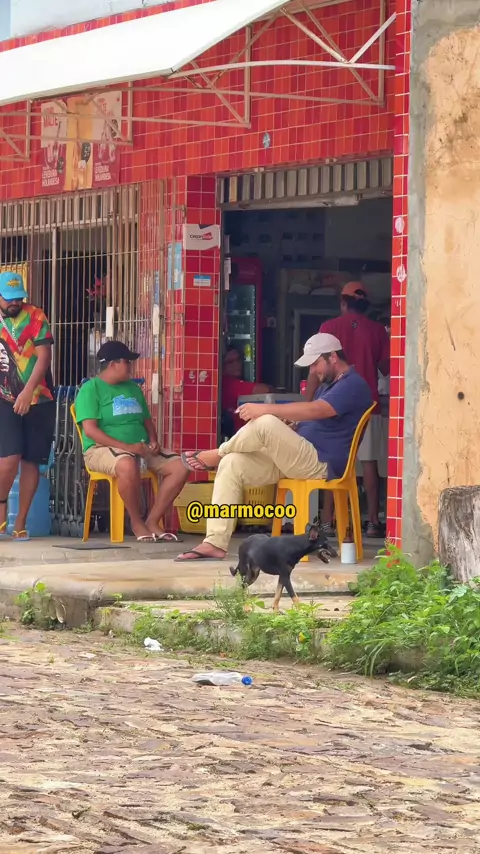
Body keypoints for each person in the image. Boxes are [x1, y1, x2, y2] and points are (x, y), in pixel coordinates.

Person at [175, 333, 372, 561]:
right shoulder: (328, 385)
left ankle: (217, 453)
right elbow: (313, 418)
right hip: (298, 458)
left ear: (333, 357)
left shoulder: (352, 384)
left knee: (265, 422)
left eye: (315, 364)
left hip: (320, 462)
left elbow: (318, 410)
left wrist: (267, 410)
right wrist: (291, 425)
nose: (313, 371)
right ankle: (214, 542)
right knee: (232, 463)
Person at [74, 341, 188, 542]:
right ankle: (136, 522)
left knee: (181, 466)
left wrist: (153, 441)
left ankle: (152, 521)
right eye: (127, 362)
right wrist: (128, 447)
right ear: (113, 364)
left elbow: (147, 421)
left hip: (140, 447)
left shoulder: (133, 388)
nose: (131, 366)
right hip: (101, 449)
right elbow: (90, 431)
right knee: (127, 464)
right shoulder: (91, 389)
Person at [306, 282, 390, 539]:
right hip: (367, 405)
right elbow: (387, 368)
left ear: (343, 303)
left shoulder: (328, 328)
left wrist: (308, 405)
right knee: (369, 464)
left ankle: (328, 521)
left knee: (333, 460)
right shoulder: (377, 330)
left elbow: (314, 371)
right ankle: (373, 521)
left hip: (332, 404)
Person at [0, 271, 55, 541]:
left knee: (32, 460)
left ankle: (20, 522)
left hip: (39, 398)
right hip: (4, 398)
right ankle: (1, 510)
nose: (15, 303)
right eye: (9, 298)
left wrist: (28, 392)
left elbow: (44, 357)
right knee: (9, 458)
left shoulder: (35, 316)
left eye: (18, 298)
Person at [222, 347, 272, 435]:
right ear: (223, 366)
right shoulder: (228, 383)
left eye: (238, 360)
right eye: (230, 362)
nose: (236, 364)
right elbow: (264, 390)